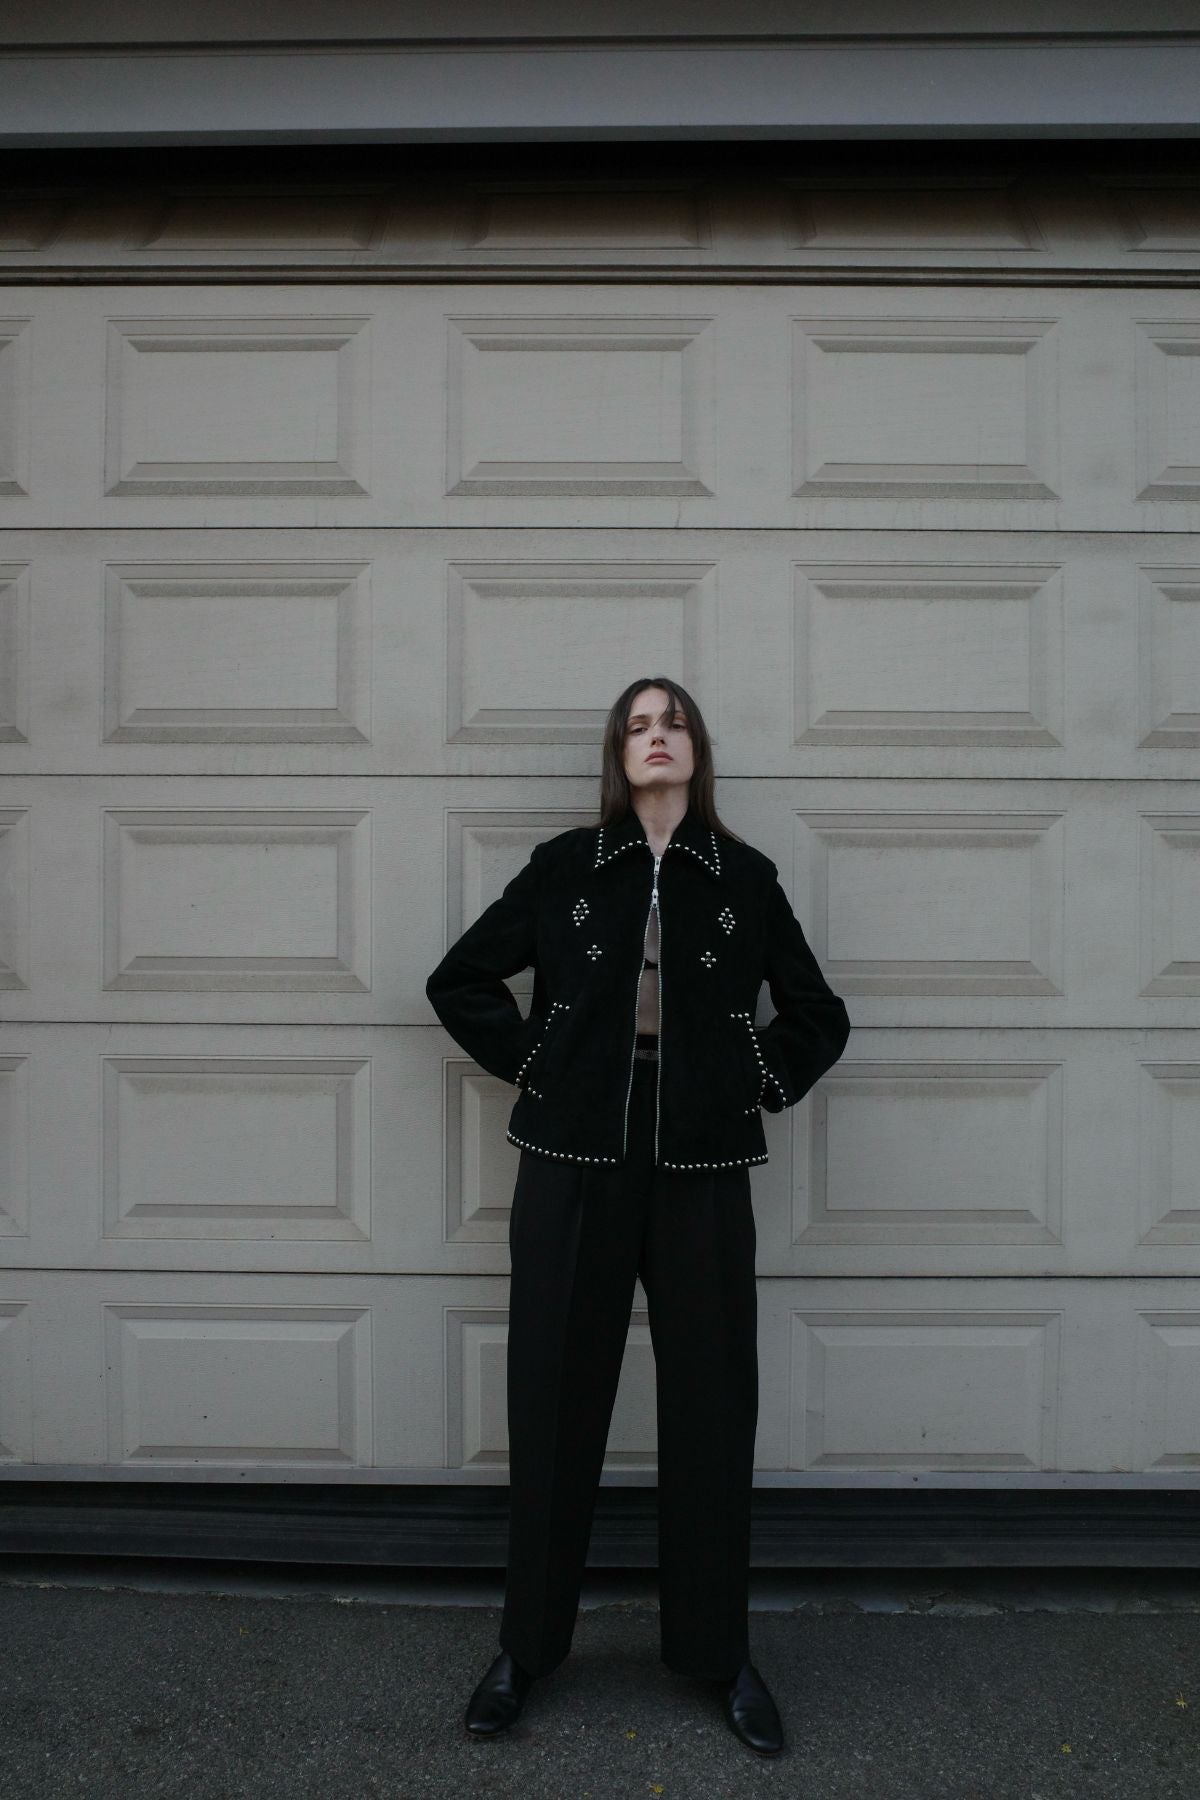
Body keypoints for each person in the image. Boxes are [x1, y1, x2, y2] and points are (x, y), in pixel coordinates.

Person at [425, 675, 851, 1756]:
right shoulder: (568, 866)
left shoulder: (744, 877)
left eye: (673, 723)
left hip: (701, 1162)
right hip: (575, 1160)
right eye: (637, 727)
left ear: (698, 749)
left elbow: (818, 1014)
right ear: (617, 757)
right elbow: (461, 979)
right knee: (552, 1399)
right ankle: (527, 1648)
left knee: (713, 1404)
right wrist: (541, 1064)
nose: (656, 738)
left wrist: (754, 1075)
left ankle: (719, 1652)